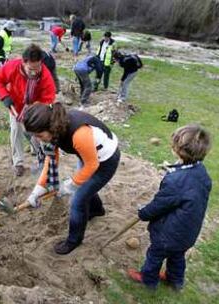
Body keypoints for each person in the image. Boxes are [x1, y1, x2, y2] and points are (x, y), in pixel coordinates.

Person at [23, 103, 120, 254]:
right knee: (86, 187)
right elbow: (50, 162)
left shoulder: (79, 134)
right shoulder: (54, 130)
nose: (38, 140)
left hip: (105, 160)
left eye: (40, 135)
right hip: (88, 154)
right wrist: (37, 190)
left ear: (50, 127)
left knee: (78, 199)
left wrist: (70, 185)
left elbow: (92, 165)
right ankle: (97, 210)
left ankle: (74, 240)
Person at [128, 124, 212, 290]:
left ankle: (148, 279)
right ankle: (175, 281)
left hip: (167, 235)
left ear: (178, 150)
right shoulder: (202, 173)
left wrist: (144, 213)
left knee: (154, 256)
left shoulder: (176, 181)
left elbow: (160, 204)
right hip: (188, 232)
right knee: (177, 256)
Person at [0, 44, 56, 176]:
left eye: (37, 67)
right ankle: (18, 163)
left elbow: (49, 98)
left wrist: (37, 110)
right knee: (16, 131)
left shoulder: (45, 75)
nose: (34, 71)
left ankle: (41, 157)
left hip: (35, 109)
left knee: (37, 133)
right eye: (30, 69)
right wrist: (4, 96)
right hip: (15, 106)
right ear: (23, 62)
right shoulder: (12, 66)